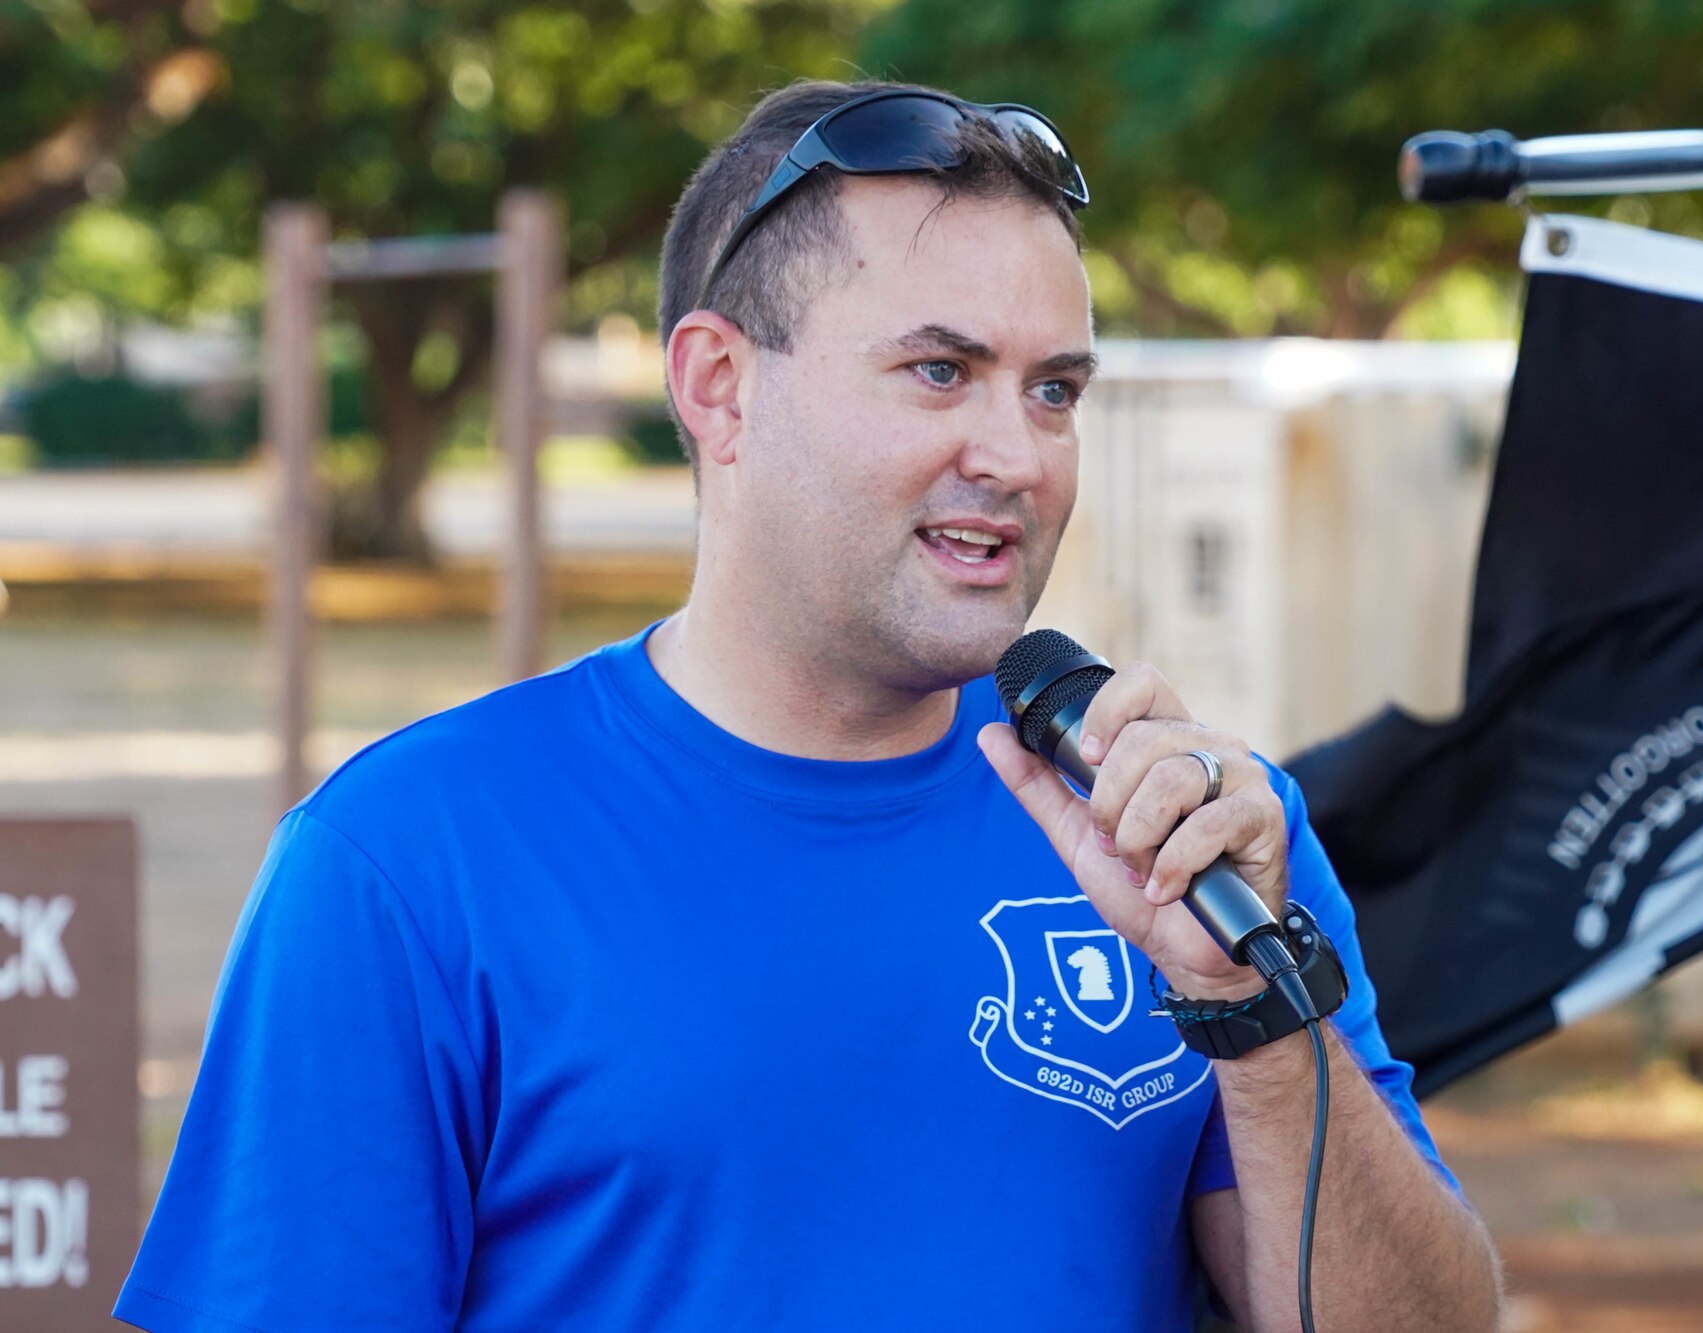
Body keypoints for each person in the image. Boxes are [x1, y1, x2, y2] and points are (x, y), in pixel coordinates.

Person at [115, 79, 1500, 1332]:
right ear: (719, 386)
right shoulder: (412, 861)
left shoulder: (1181, 832)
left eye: (1056, 389)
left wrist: (1254, 1014)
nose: (1016, 454)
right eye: (941, 371)